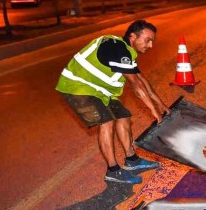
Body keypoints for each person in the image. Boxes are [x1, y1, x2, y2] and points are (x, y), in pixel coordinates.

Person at [55, 20, 168, 184]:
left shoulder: (127, 52)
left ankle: (132, 160)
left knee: (123, 116)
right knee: (106, 121)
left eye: (152, 41)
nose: (150, 45)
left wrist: (161, 104)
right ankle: (113, 170)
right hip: (77, 86)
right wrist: (153, 111)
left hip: (99, 91)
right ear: (132, 36)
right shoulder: (116, 48)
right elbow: (135, 85)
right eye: (147, 40)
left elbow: (142, 81)